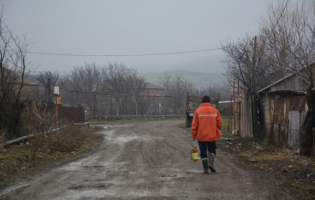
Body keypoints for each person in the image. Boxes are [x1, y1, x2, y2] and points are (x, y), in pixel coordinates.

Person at [191, 95, 223, 174]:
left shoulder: (197, 111)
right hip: (212, 136)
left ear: (202, 102)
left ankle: (205, 169)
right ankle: (211, 163)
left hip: (201, 136)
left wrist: (193, 135)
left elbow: (194, 125)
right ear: (209, 101)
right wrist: (215, 128)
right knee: (212, 150)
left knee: (203, 152)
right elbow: (220, 123)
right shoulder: (215, 111)